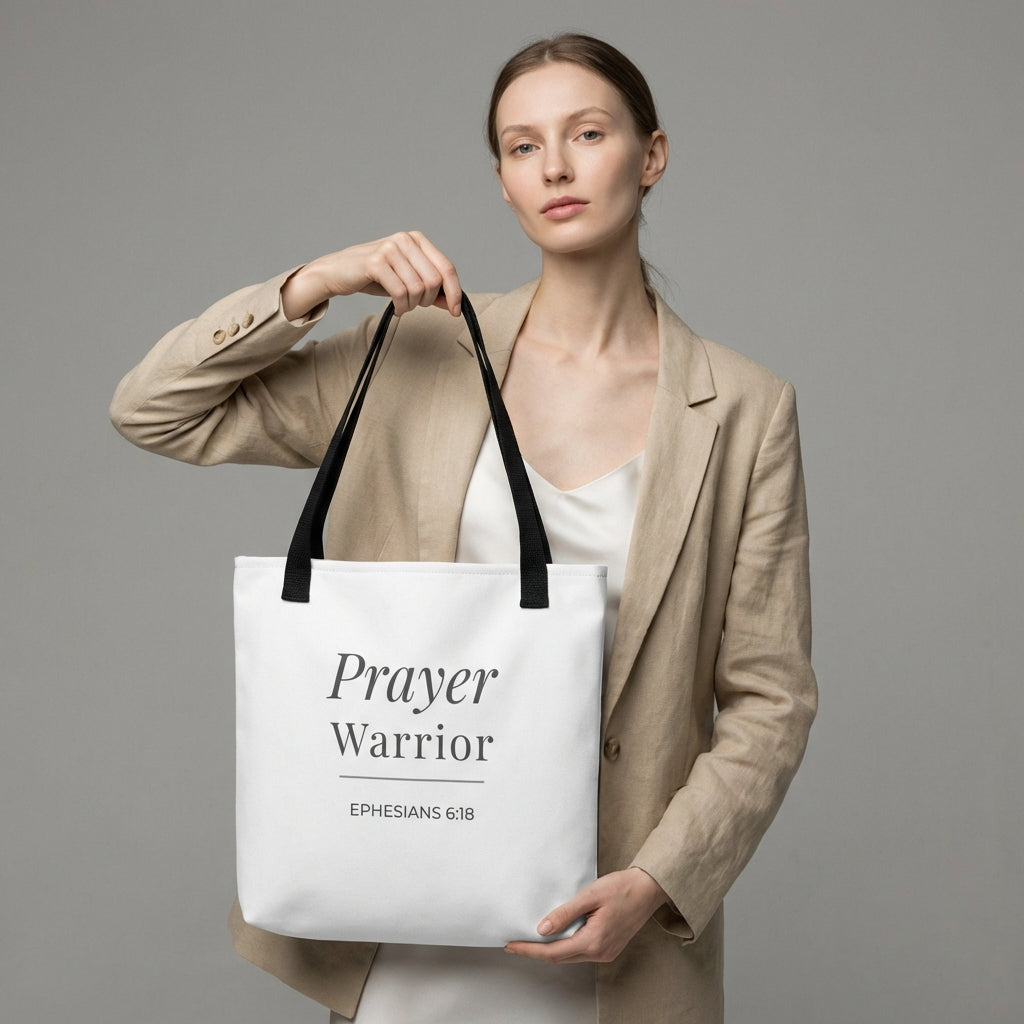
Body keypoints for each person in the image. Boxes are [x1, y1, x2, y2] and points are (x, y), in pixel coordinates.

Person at [110, 32, 816, 1024]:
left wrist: (659, 879)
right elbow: (154, 408)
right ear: (501, 180)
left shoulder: (744, 409)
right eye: (523, 147)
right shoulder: (420, 353)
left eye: (586, 133)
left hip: (609, 945)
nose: (556, 167)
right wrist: (314, 282)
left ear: (650, 155)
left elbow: (769, 697)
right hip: (407, 930)